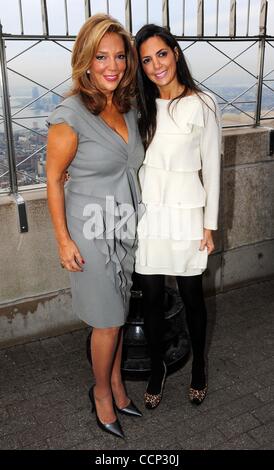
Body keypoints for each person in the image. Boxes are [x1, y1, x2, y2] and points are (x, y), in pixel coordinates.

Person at [46, 14, 144, 439]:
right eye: (101, 56)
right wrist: (63, 240)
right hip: (89, 230)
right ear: (85, 60)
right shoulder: (69, 114)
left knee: (118, 315)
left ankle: (119, 385)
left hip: (124, 225)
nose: (112, 65)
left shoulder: (126, 105)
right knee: (106, 321)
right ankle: (102, 394)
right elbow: (52, 179)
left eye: (119, 56)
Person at [134, 24, 221, 408]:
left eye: (162, 54)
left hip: (188, 216)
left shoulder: (203, 103)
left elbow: (213, 170)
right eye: (147, 60)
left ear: (176, 53)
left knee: (192, 298)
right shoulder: (139, 106)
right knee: (151, 299)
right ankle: (157, 368)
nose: (156, 65)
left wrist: (210, 225)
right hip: (150, 217)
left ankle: (199, 367)